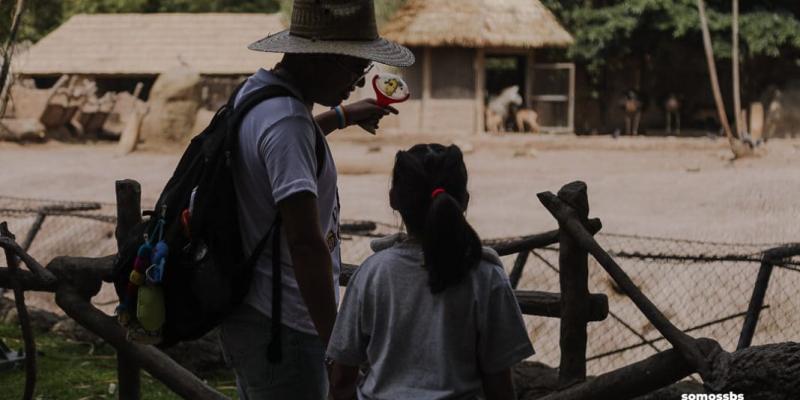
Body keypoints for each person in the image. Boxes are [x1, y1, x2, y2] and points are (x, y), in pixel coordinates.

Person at [218, 1, 414, 399]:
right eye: (355, 68)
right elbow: (306, 245)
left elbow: (281, 145)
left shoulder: (258, 93)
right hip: (285, 322)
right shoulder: (288, 121)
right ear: (320, 57)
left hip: (250, 310)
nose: (358, 83)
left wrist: (342, 115)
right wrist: (336, 345)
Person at [326, 144, 535, 400]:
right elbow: (499, 387)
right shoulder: (485, 276)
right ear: (464, 200)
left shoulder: (373, 273)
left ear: (393, 198)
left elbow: (340, 380)